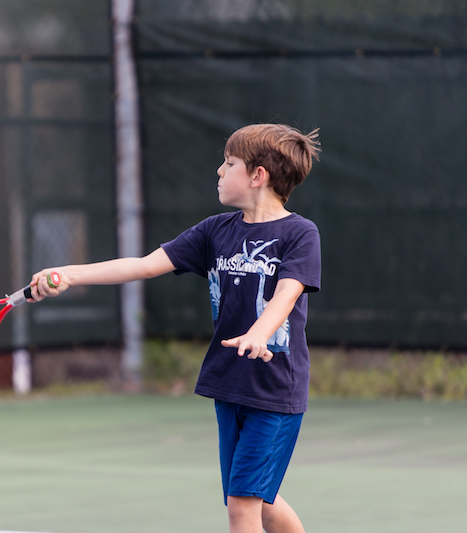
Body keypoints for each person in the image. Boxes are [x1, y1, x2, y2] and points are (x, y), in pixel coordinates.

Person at [30, 123, 321, 533]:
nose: (219, 171)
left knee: (242, 505)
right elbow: (145, 264)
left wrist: (259, 332)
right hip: (229, 382)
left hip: (275, 389)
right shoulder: (215, 231)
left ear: (259, 176)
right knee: (261, 503)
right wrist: (70, 274)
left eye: (229, 163)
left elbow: (286, 295)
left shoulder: (299, 234)